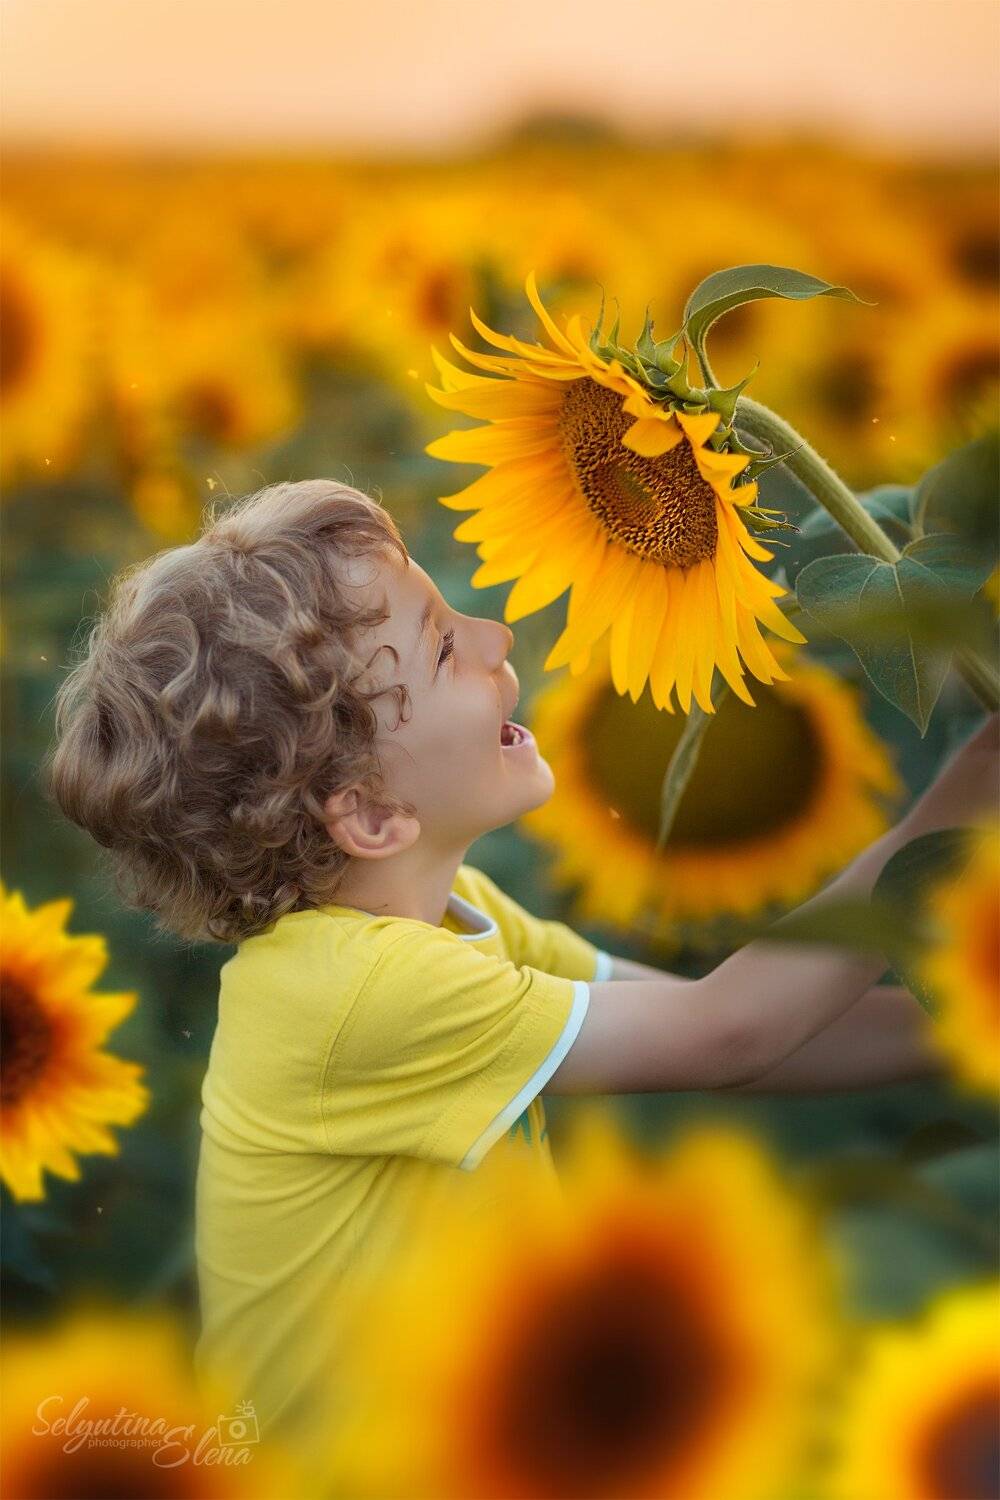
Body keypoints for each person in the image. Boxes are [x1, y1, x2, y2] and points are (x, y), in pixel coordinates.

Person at [43, 477, 998, 1449]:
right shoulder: (360, 995)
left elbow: (743, 1028)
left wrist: (970, 1020)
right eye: (443, 646)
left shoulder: (441, 922)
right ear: (371, 813)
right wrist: (957, 802)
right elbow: (731, 1030)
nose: (494, 636)